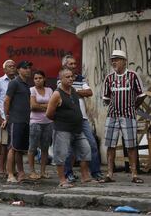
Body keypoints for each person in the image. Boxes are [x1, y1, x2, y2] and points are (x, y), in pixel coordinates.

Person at [102, 50, 146, 183]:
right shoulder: (109, 78)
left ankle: (134, 174)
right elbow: (106, 98)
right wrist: (114, 106)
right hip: (112, 116)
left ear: (124, 61)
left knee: (131, 146)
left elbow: (141, 95)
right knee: (110, 145)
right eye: (112, 60)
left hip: (128, 115)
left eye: (117, 59)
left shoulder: (133, 76)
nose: (114, 62)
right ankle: (109, 174)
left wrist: (132, 107)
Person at [60, 55, 104, 183]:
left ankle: (95, 172)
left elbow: (89, 92)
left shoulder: (80, 78)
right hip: (69, 119)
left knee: (92, 145)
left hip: (83, 119)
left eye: (75, 64)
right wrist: (78, 92)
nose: (74, 66)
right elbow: (63, 92)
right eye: (71, 64)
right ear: (65, 65)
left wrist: (74, 91)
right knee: (69, 149)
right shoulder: (60, 78)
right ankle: (68, 174)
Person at [46, 68, 92, 188]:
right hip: (62, 129)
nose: (71, 79)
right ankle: (62, 180)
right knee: (61, 155)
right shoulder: (57, 94)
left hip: (77, 128)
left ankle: (85, 177)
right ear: (60, 79)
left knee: (86, 150)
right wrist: (61, 120)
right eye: (67, 77)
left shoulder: (73, 91)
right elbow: (49, 114)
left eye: (72, 76)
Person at [3, 61, 32, 183]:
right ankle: (10, 174)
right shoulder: (14, 83)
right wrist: (8, 115)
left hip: (25, 120)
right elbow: (6, 101)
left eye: (29, 68)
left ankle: (21, 173)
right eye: (25, 68)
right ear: (19, 70)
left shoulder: (26, 85)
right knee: (13, 148)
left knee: (20, 149)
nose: (28, 70)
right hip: (16, 120)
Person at [0, 59, 16, 176]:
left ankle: (11, 168)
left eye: (13, 66)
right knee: (3, 143)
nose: (12, 68)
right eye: (9, 66)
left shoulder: (18, 81)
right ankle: (1, 167)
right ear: (5, 69)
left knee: (14, 144)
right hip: (3, 117)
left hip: (16, 117)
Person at [28, 71, 53, 179]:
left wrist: (41, 106)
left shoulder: (49, 90)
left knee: (45, 147)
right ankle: (32, 171)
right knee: (33, 147)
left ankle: (42, 171)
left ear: (44, 79)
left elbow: (53, 105)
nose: (38, 80)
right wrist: (47, 106)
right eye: (36, 78)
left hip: (48, 122)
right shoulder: (32, 90)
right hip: (35, 122)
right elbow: (33, 106)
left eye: (40, 78)